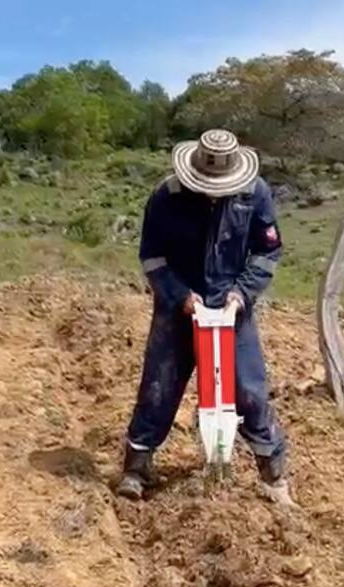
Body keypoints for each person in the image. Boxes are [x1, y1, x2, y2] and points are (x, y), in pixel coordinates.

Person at [117, 129, 293, 506]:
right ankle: (136, 468)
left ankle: (273, 475)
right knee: (159, 387)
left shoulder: (254, 193)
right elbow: (152, 256)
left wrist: (241, 293)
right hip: (178, 306)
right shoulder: (167, 197)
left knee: (248, 389)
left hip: (231, 304)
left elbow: (267, 252)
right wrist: (179, 295)